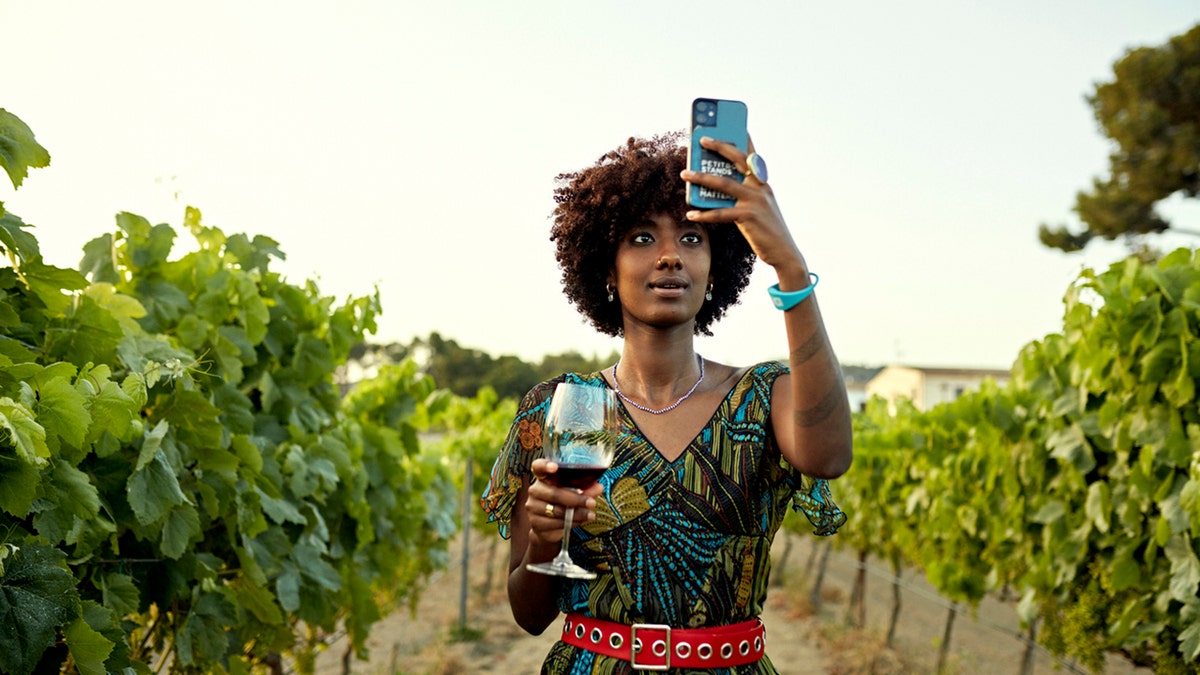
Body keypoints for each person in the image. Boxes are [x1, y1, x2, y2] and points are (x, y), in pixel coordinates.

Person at [480, 130, 853, 674]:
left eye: (693, 239)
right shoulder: (557, 407)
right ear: (606, 270)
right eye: (641, 238)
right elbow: (529, 615)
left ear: (714, 267)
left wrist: (790, 267)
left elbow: (830, 457)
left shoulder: (763, 397)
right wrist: (542, 544)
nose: (670, 257)